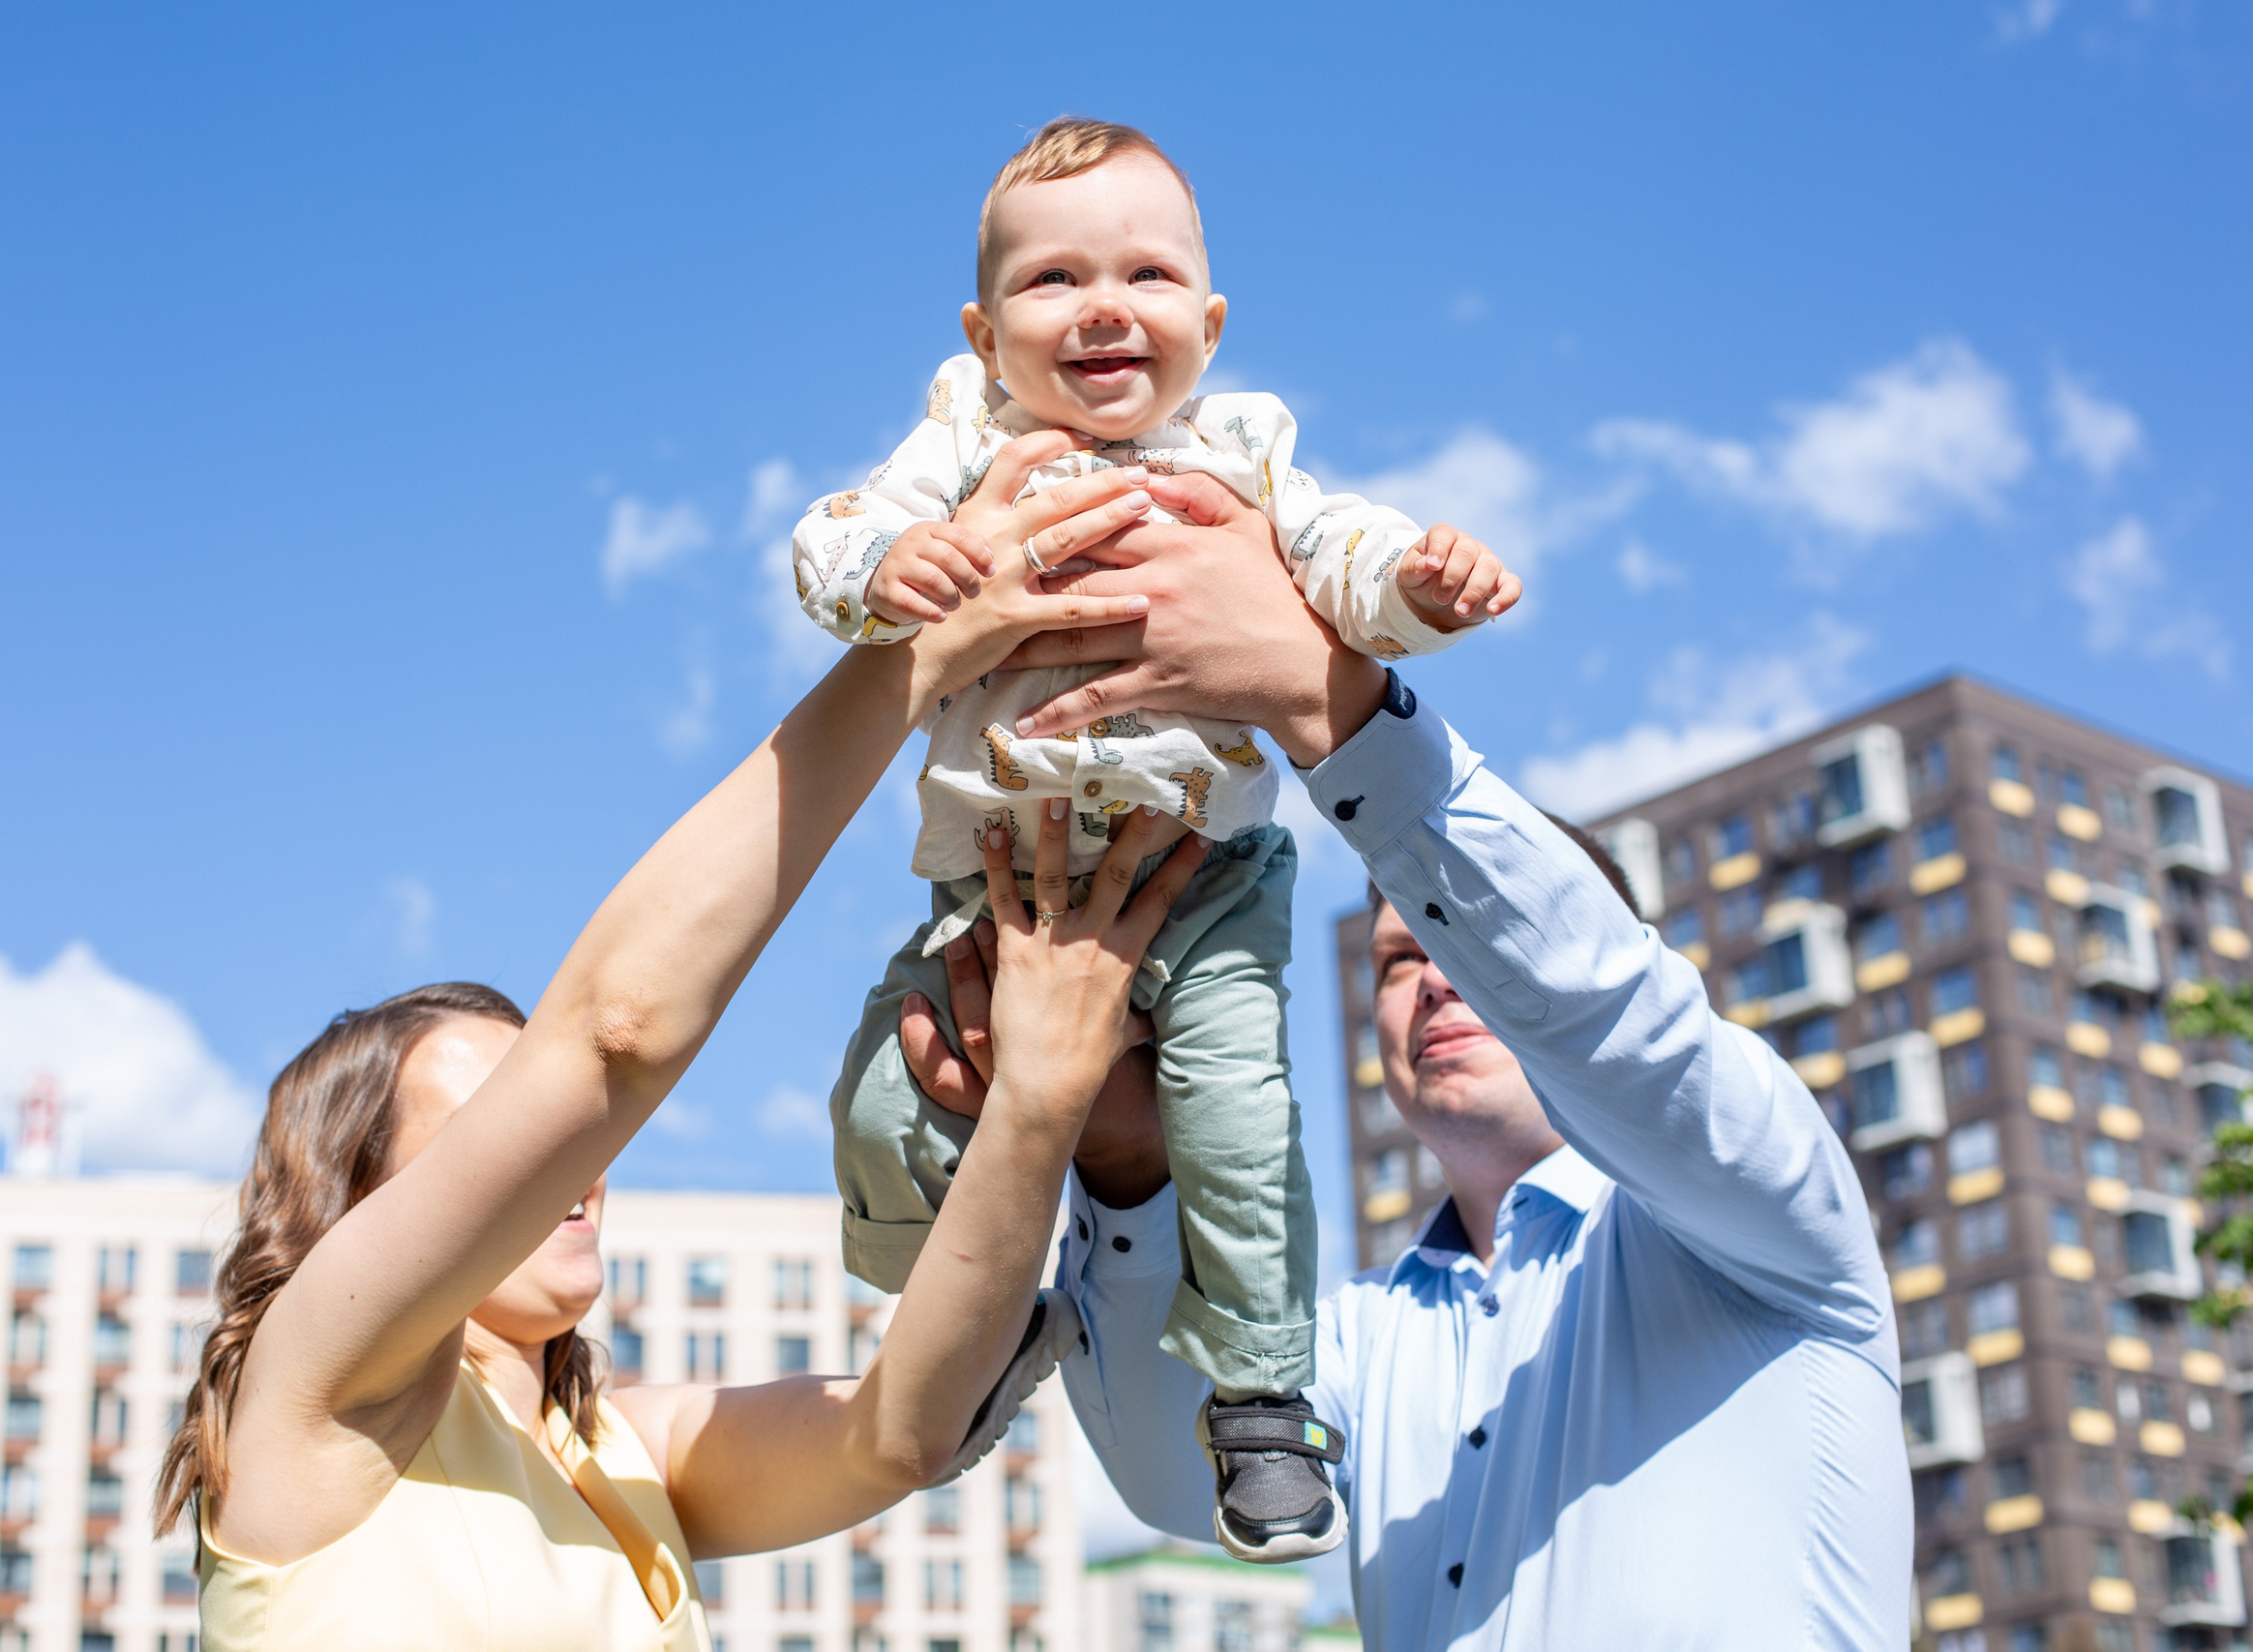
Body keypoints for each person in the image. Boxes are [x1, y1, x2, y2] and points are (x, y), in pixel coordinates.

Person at [151, 451, 1202, 1651]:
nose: (578, 1166)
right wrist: (927, 648)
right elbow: (613, 1037)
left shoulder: (617, 1451)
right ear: (361, 1203)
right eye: (500, 1128)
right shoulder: (310, 1389)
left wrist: (1041, 1099)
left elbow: (900, 1435)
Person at [895, 471, 1915, 1647]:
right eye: (1392, 960)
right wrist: (1118, 1138)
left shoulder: (1764, 1223)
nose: (1431, 973)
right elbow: (1178, 1487)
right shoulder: (1359, 1340)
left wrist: (1323, 700)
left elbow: (1607, 1018)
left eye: (1442, 935)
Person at [791, 115, 1520, 1563]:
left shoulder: (1239, 451)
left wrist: (1417, 588)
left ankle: (1261, 1386)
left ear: (1211, 317)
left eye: (1148, 274)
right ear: (985, 330)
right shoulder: (961, 444)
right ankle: (965, 1318)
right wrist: (886, 566)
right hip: (995, 884)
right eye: (1054, 280)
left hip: (1208, 875)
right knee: (883, 1102)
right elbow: (830, 546)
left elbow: (1341, 557)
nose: (1105, 306)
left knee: (1239, 1120)